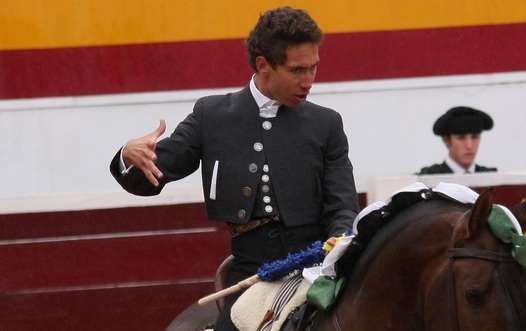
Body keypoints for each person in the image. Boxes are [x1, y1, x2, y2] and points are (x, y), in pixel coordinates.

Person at [108, 7, 360, 330]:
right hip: (252, 272)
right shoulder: (212, 116)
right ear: (263, 65)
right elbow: (152, 174)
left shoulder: (326, 124)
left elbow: (343, 206)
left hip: (316, 266)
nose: (309, 81)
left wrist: (335, 251)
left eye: (314, 68)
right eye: (297, 70)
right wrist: (128, 157)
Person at [416, 106, 497, 175]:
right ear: (446, 140)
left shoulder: (489, 177)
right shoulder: (429, 178)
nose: (469, 146)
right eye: (461, 138)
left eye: (474, 137)